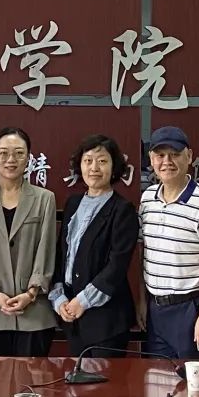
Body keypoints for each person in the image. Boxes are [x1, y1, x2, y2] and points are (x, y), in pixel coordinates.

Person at [0, 127, 58, 356]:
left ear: (28, 158)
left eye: (19, 153)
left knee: (34, 377)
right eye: (3, 153)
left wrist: (31, 293)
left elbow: (46, 248)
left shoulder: (44, 199)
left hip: (34, 312)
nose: (11, 160)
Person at [138, 126, 199, 359]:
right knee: (156, 377)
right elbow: (144, 253)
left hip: (191, 309)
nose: (167, 162)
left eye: (175, 154)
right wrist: (142, 301)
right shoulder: (147, 199)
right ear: (151, 159)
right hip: (156, 310)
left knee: (194, 378)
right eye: (160, 155)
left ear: (189, 156)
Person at [51, 134, 139, 357]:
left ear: (114, 167)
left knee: (105, 379)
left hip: (106, 320)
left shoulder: (122, 209)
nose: (94, 168)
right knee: (77, 379)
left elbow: (117, 265)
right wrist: (59, 298)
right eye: (88, 160)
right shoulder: (72, 203)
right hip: (72, 316)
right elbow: (62, 255)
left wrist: (82, 302)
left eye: (102, 161)